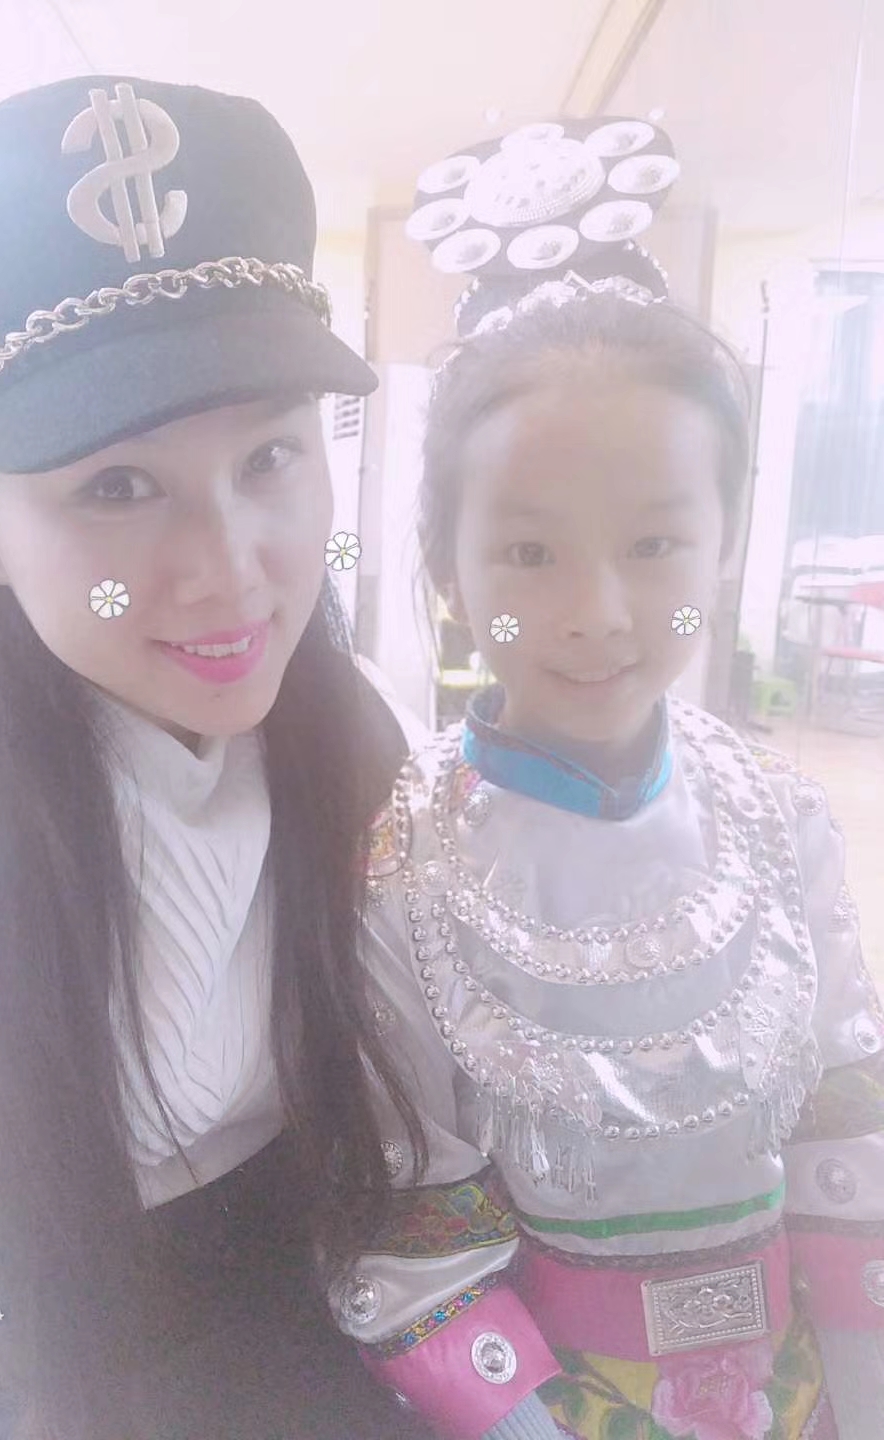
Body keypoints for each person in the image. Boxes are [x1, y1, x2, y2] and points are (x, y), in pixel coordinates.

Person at [0, 75, 443, 1440]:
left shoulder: (355, 727)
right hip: (30, 1358)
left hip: (346, 1321)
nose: (232, 572)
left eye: (270, 457)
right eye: (116, 486)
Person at [326, 122, 884, 1440]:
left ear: (725, 543)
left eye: (654, 544)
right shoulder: (403, 872)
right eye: (529, 554)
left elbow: (843, 1132)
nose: (598, 612)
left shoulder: (784, 818)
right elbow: (416, 1235)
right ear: (448, 571)